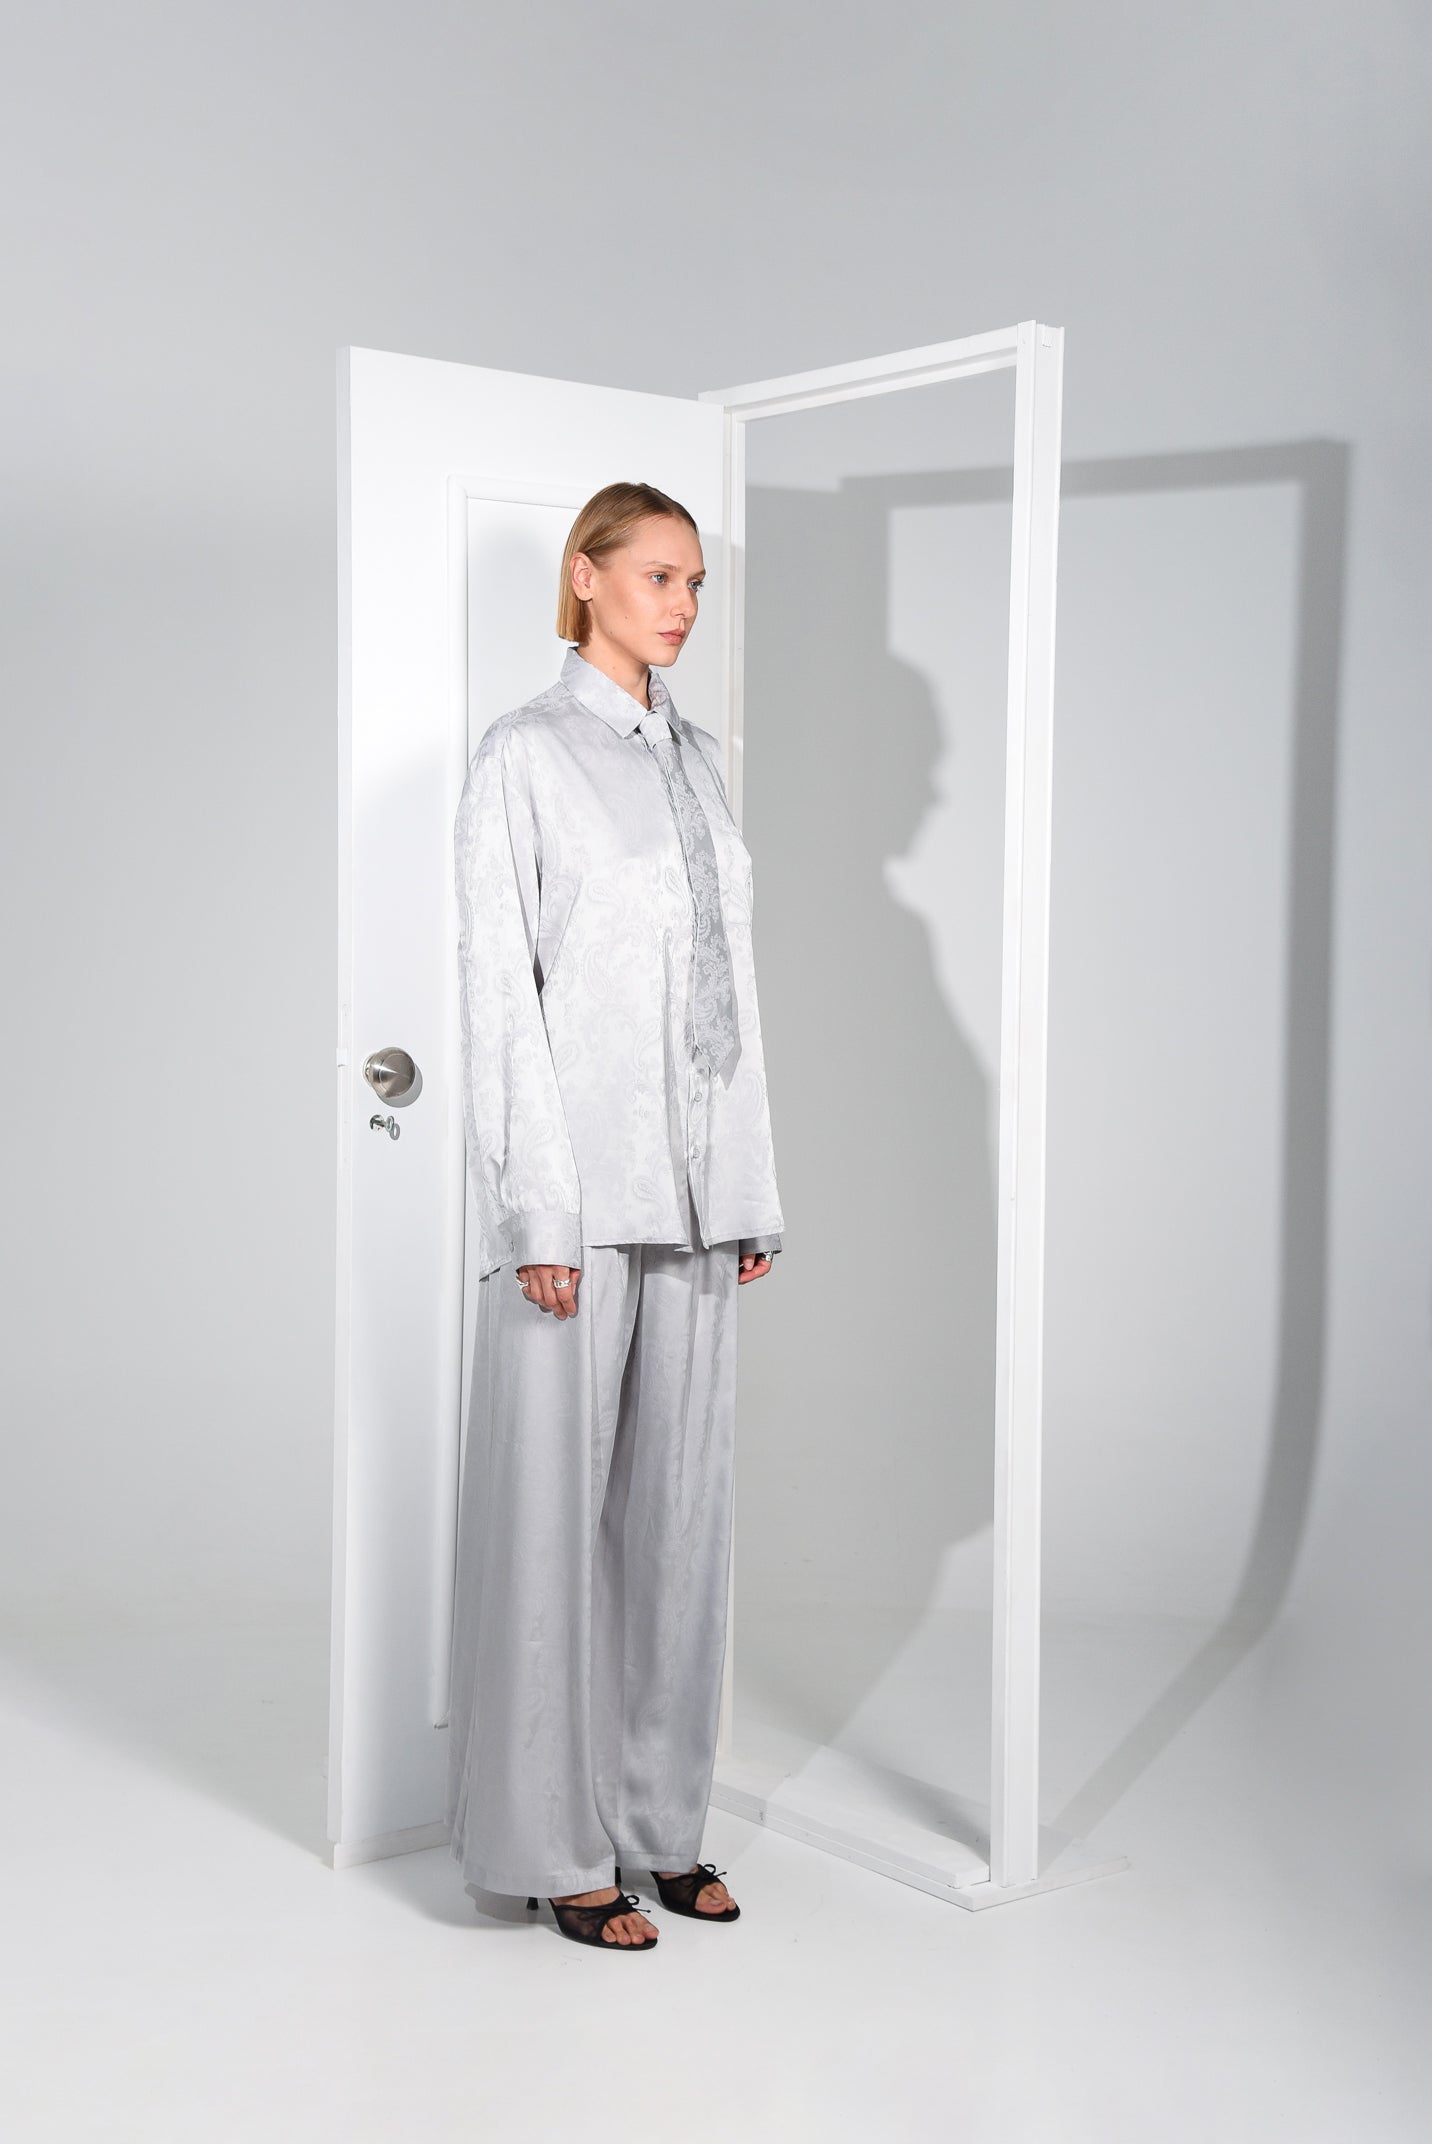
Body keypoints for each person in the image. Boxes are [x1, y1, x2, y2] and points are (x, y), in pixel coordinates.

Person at [445, 480, 785, 1952]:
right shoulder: (524, 756)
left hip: (700, 1196)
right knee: (548, 1530)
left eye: (697, 582)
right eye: (659, 576)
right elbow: (498, 997)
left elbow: (734, 993)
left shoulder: (701, 764)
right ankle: (552, 1845)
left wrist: (751, 1185)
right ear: (587, 579)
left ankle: (658, 1825)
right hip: (578, 1202)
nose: (685, 606)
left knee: (681, 1527)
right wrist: (535, 1211)